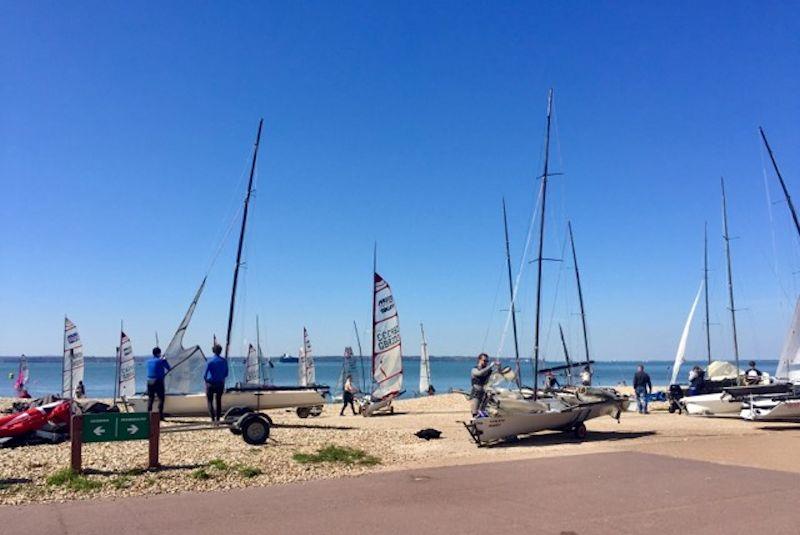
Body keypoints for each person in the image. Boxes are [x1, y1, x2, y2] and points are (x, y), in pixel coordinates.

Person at [204, 344, 228, 423]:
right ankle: (218, 420)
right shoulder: (224, 361)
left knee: (210, 401)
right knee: (218, 401)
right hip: (220, 384)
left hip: (210, 383)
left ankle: (212, 419)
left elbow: (205, 375)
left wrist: (206, 381)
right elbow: (226, 374)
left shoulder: (210, 361)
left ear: (213, 351)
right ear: (220, 351)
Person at [146, 347, 171, 420]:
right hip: (158, 381)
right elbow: (169, 368)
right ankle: (160, 416)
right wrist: (164, 360)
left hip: (149, 381)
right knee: (161, 398)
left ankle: (149, 415)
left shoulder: (148, 361)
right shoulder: (161, 361)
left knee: (151, 398)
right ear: (158, 353)